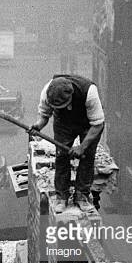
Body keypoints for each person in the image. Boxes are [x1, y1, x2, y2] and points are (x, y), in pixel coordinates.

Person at [30, 74, 104, 213]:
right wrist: (38, 126)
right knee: (62, 156)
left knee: (87, 157)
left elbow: (98, 125)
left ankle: (81, 196)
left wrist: (82, 147)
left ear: (71, 96)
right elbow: (45, 116)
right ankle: (61, 196)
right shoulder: (47, 92)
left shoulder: (89, 92)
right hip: (63, 123)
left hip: (89, 123)